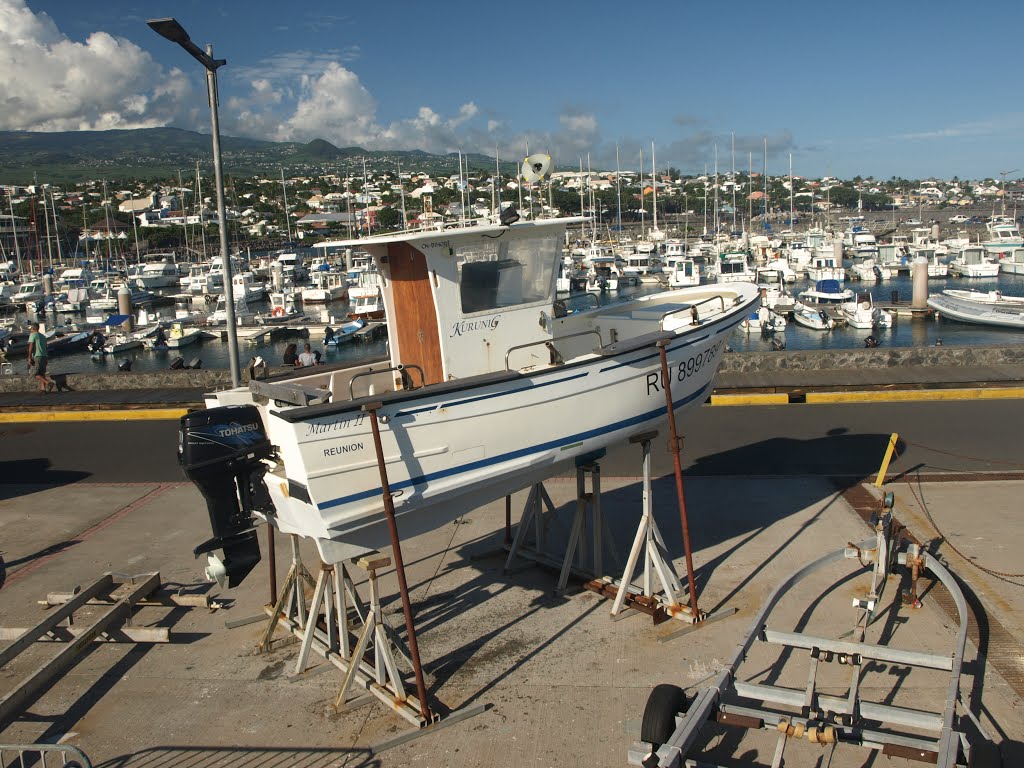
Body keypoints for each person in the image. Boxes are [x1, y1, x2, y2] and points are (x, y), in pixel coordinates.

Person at [26, 322, 54, 394]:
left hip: (37, 356)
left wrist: (29, 357)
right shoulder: (43, 336)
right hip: (44, 356)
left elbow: (31, 346)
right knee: (42, 373)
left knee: (35, 374)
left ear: (33, 328)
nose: (30, 330)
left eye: (31, 329)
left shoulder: (33, 335)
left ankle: (48, 383)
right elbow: (45, 347)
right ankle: (43, 389)